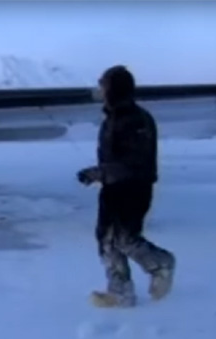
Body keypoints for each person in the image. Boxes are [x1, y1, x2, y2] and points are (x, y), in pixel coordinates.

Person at [76, 65, 176, 308]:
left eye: (103, 85)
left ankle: (161, 263)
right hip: (113, 188)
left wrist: (99, 173)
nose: (99, 89)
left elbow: (132, 162)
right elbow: (114, 160)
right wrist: (100, 175)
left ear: (114, 89)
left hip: (133, 189)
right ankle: (120, 291)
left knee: (125, 239)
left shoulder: (135, 120)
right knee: (107, 239)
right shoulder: (114, 118)